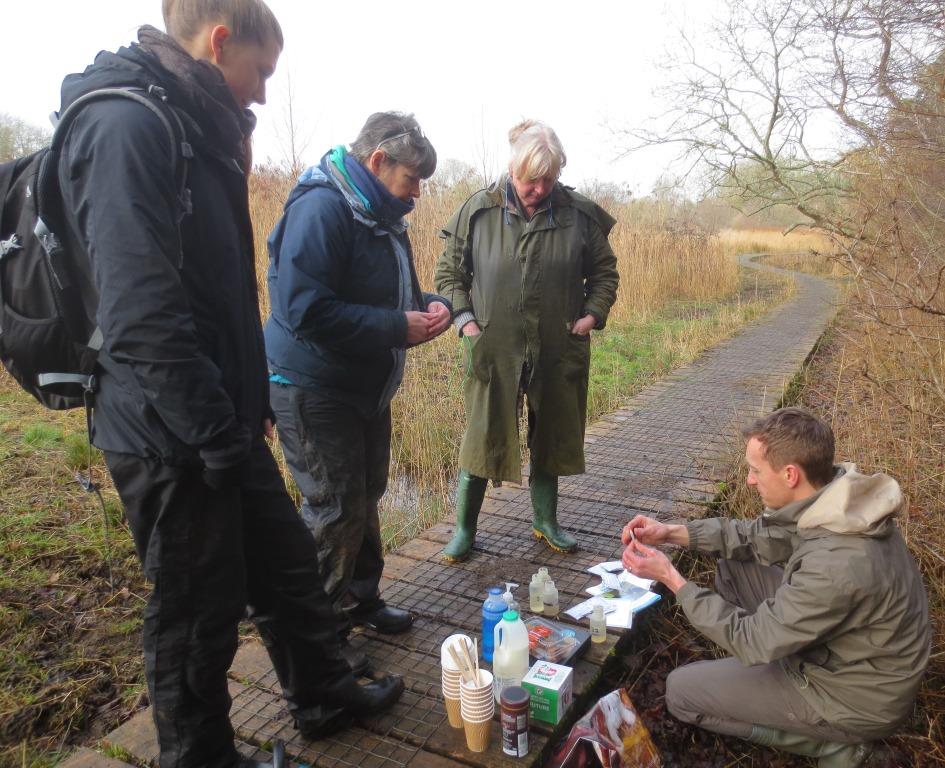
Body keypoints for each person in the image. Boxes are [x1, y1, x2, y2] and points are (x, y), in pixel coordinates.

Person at [54, 3, 403, 766]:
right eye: (262, 71)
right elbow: (140, 313)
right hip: (165, 430)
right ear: (219, 42)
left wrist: (248, 402)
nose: (264, 93)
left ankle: (323, 692)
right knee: (195, 610)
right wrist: (214, 431)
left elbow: (221, 291)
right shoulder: (126, 125)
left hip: (222, 416)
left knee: (286, 566)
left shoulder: (196, 127)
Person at [621, 407, 930, 767]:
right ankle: (769, 669)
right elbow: (755, 538)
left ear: (790, 474)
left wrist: (671, 578)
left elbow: (751, 638)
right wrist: (671, 533)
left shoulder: (837, 564)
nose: (750, 480)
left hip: (854, 698)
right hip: (849, 653)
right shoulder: (835, 500)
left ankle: (840, 748)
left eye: (755, 470)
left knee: (680, 693)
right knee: (733, 567)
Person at [265, 112, 451, 675]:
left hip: (362, 389)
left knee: (366, 496)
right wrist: (397, 326)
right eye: (412, 179)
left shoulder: (382, 215)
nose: (417, 193)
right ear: (377, 161)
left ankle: (360, 600)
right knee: (335, 511)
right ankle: (318, 643)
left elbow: (391, 295)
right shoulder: (322, 209)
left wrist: (431, 306)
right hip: (314, 389)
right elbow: (303, 310)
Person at [434, 120, 619, 562]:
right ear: (512, 169)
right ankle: (464, 530)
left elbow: (604, 273)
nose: (538, 189)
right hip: (493, 347)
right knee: (482, 435)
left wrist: (591, 315)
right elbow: (449, 275)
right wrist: (466, 322)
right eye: (529, 180)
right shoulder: (478, 210)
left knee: (551, 434)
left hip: (557, 346)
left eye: (547, 180)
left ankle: (545, 521)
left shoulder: (579, 215)